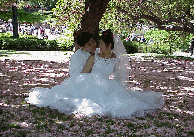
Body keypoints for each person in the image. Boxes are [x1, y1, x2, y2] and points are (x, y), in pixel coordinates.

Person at [25, 29, 164, 119]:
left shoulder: (115, 59)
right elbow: (83, 73)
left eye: (100, 44)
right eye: (96, 44)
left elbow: (119, 75)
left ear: (109, 46)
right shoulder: (93, 56)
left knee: (120, 101)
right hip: (89, 80)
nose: (98, 46)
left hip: (107, 84)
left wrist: (120, 87)